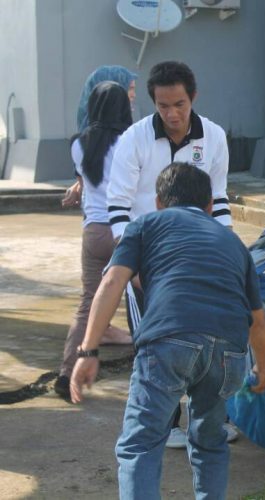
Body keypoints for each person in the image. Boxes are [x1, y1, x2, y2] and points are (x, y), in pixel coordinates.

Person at [70, 162, 265, 500]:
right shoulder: (233, 242)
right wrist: (262, 368)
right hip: (230, 352)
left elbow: (112, 280)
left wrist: (88, 351)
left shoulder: (145, 224)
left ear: (159, 202)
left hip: (169, 340)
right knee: (210, 442)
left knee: (141, 444)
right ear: (210, 206)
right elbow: (259, 321)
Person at [107, 60, 234, 448]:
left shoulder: (213, 137)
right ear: (153, 103)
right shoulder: (134, 138)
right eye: (163, 106)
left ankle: (207, 423)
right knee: (153, 344)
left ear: (193, 98)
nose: (172, 114)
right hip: (148, 259)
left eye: (179, 104)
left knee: (207, 339)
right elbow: (117, 208)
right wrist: (134, 268)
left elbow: (221, 201)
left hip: (199, 258)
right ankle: (164, 427)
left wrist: (225, 252)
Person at [53, 82, 134, 400]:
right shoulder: (130, 142)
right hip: (125, 230)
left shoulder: (78, 143)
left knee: (88, 302)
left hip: (94, 230)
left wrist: (77, 190)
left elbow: (85, 178)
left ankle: (65, 373)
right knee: (140, 300)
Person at [62, 65, 138, 208]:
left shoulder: (81, 139)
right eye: (130, 88)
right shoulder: (128, 138)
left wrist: (79, 185)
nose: (133, 95)